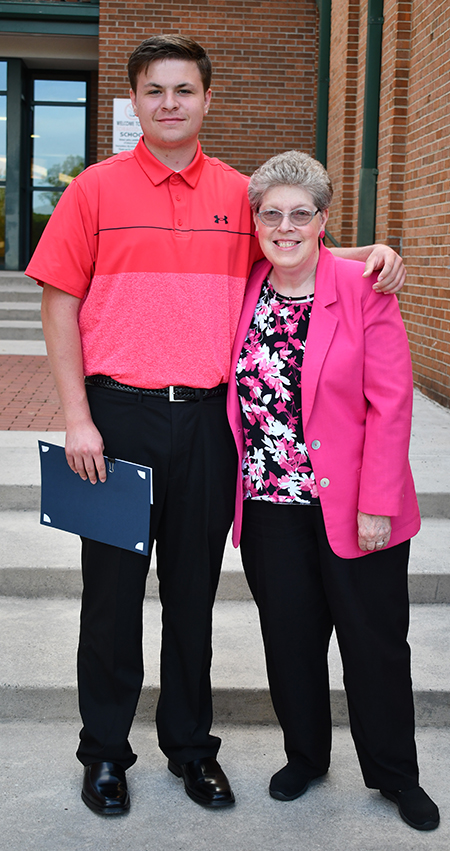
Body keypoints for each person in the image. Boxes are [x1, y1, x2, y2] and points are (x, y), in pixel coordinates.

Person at [26, 36, 406, 816]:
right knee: (109, 601)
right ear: (133, 102)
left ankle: (191, 749)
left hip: (205, 426)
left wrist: (374, 253)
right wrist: (77, 418)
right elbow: (58, 301)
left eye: (184, 90)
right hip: (115, 420)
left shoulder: (238, 194)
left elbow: (296, 250)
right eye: (154, 90)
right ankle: (104, 753)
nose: (169, 103)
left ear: (207, 100)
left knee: (192, 599)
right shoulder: (92, 191)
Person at [226, 150, 439, 831]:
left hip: (355, 506)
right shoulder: (243, 285)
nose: (284, 226)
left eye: (300, 214)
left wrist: (377, 501)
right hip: (268, 506)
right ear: (255, 221)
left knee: (375, 643)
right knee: (289, 639)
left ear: (322, 220)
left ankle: (395, 774)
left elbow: (392, 401)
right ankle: (305, 756)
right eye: (270, 213)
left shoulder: (362, 288)